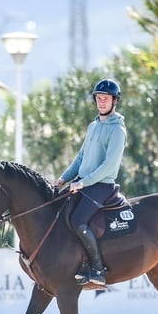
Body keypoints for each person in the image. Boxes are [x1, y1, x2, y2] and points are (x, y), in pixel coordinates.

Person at [55, 78, 126, 287]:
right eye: (98, 98)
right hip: (82, 183)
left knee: (78, 220)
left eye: (105, 98)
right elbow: (81, 157)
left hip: (101, 186)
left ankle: (96, 268)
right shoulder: (93, 126)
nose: (101, 102)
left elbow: (108, 166)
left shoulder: (118, 131)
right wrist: (64, 178)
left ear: (115, 101)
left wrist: (83, 183)